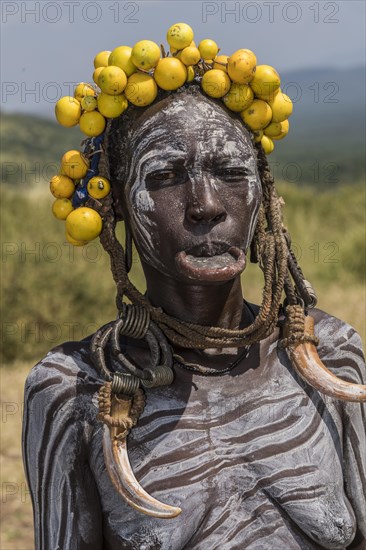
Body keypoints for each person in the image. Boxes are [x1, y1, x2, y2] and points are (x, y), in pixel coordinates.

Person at [23, 34, 366, 549]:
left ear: (264, 198)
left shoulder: (333, 355)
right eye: (165, 176)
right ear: (114, 205)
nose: (207, 204)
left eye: (231, 173)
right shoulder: (74, 392)